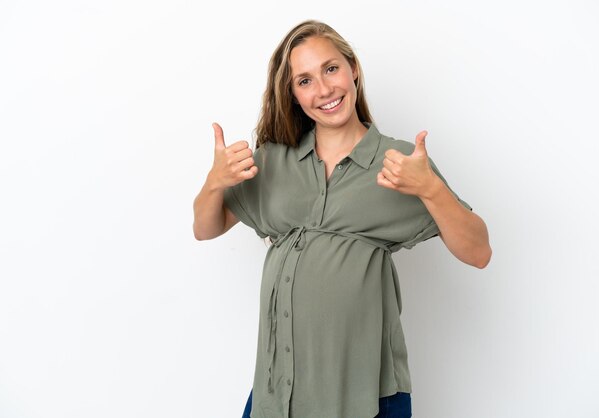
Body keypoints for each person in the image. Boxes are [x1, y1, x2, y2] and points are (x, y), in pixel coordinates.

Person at [193, 20, 491, 418]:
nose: (324, 90)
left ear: (353, 69)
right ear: (293, 95)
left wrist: (430, 189)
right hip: (278, 394)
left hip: (367, 397)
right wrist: (214, 183)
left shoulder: (399, 163)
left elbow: (479, 251)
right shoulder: (273, 160)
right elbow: (205, 228)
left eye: (331, 69)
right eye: (304, 80)